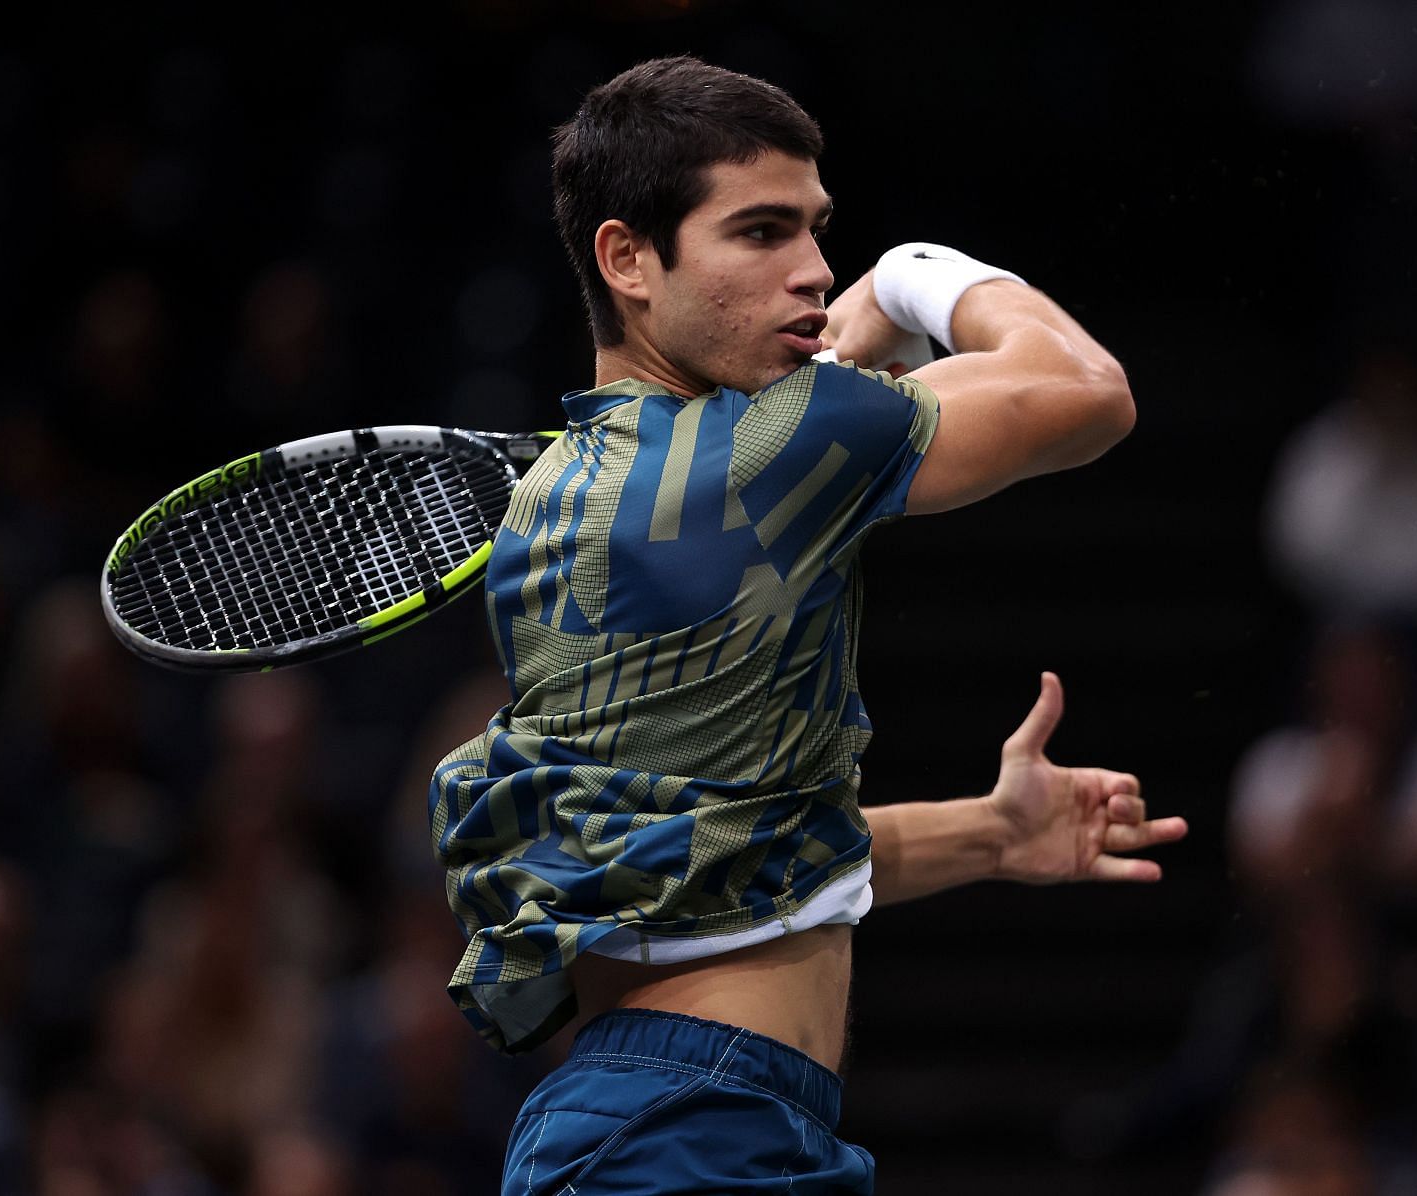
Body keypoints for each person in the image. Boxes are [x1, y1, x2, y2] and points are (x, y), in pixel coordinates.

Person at [427, 55, 1188, 1193]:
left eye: (822, 235)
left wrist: (988, 831)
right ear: (627, 259)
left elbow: (740, 866)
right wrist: (908, 280)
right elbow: (1086, 388)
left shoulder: (559, 505)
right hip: (688, 1134)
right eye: (762, 232)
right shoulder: (767, 449)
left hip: (659, 1121)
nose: (813, 271)